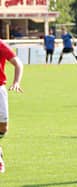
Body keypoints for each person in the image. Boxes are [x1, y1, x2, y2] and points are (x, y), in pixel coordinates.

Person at [0, 39, 24, 173]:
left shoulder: (0, 44)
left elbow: (18, 63)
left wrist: (16, 82)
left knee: (3, 127)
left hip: (0, 89)